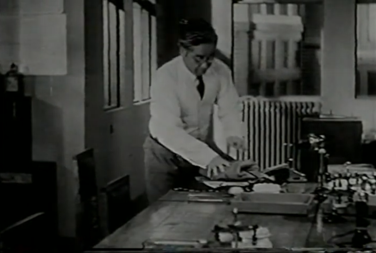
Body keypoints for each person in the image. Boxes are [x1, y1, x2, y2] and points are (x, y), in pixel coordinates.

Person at [143, 18, 246, 203]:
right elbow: (169, 130)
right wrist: (209, 158)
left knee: (199, 205)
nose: (206, 64)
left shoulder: (220, 70)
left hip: (197, 146)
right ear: (183, 51)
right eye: (199, 58)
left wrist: (234, 133)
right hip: (164, 153)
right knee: (162, 213)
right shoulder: (166, 76)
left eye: (210, 57)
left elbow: (230, 106)